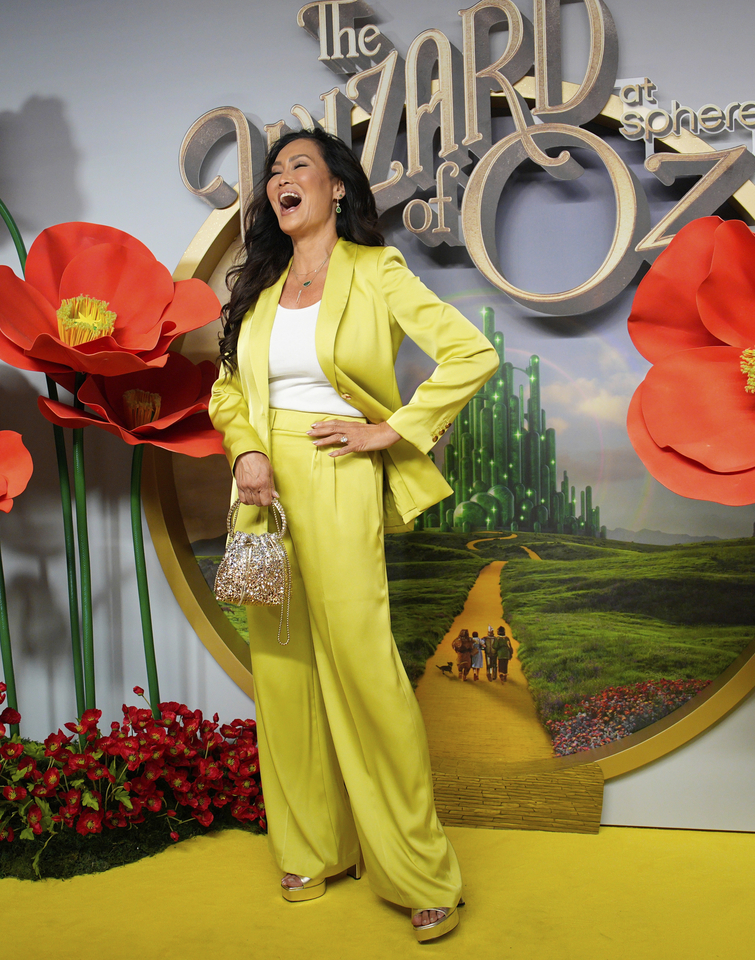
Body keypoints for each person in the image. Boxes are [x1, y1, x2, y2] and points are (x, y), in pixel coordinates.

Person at [208, 128, 497, 943]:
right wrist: (249, 451)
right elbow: (227, 393)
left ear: (338, 187)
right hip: (261, 494)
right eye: (272, 172)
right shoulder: (260, 287)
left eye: (299, 165)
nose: (280, 179)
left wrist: (392, 430)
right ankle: (310, 847)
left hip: (337, 479)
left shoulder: (378, 272)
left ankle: (417, 869)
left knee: (364, 669)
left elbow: (468, 355)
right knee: (283, 667)